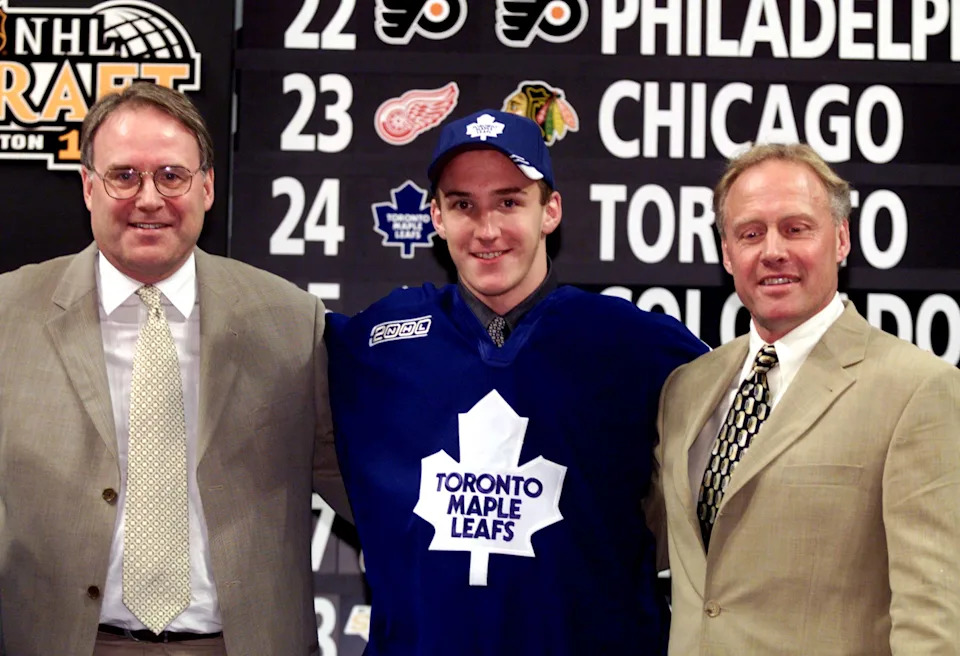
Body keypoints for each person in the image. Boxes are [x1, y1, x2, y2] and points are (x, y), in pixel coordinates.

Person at [325, 109, 707, 654]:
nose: (487, 230)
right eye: (462, 205)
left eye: (509, 201)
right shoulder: (378, 341)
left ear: (550, 210)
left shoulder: (634, 343)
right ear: (435, 216)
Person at [0, 82, 346, 655]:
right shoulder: (9, 313)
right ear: (88, 187)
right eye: (124, 176)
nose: (149, 198)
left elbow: (361, 481)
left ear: (207, 187)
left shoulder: (291, 320)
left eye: (171, 175)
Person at [657, 142, 960, 655]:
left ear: (841, 239)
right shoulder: (686, 388)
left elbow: (932, 616)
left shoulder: (918, 390)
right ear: (728, 253)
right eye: (750, 233)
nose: (772, 250)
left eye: (796, 228)